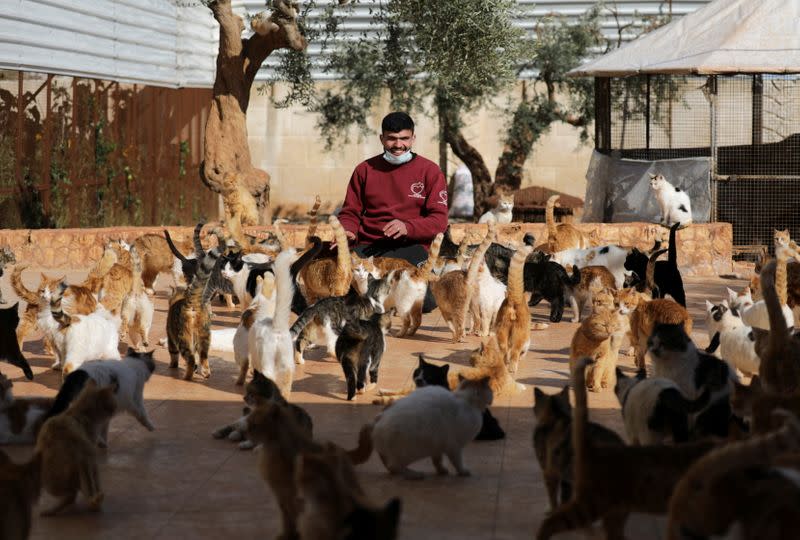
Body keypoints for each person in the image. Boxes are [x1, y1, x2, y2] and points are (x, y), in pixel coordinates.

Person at [338, 112, 448, 267]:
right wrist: (347, 231)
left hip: (413, 247)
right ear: (382, 138)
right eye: (391, 138)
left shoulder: (430, 171)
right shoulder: (364, 170)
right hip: (369, 245)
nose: (398, 145)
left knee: (412, 286)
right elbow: (350, 212)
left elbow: (439, 221)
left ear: (413, 138)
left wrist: (408, 227)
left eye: (404, 138)